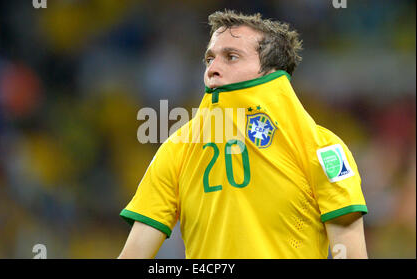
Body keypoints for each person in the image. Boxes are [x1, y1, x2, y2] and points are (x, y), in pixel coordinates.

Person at [118, 10, 368, 259]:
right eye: (209, 59)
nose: (212, 69)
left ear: (270, 71)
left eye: (231, 56)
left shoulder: (324, 150)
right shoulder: (177, 148)